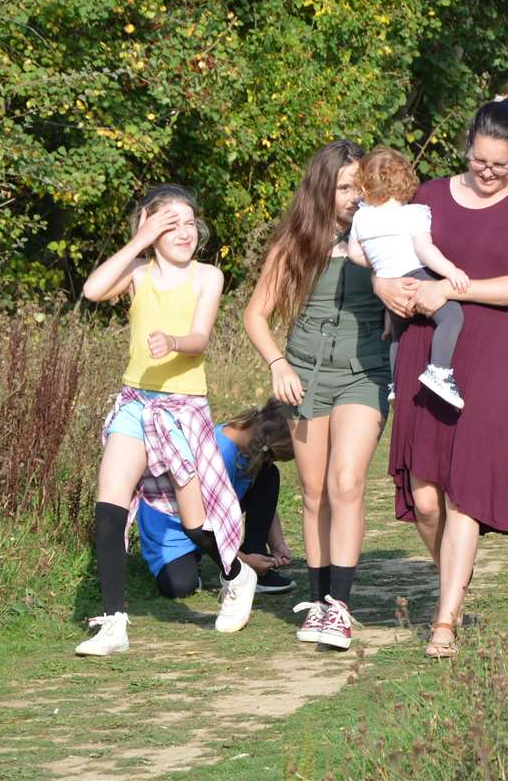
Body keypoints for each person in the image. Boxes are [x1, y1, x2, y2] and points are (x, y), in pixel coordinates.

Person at [374, 99, 508, 659]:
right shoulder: (428, 195)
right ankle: (454, 576)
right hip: (424, 348)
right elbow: (385, 250)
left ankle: (445, 618)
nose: (486, 172)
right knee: (426, 499)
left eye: (499, 165)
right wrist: (387, 289)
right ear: (469, 146)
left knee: (465, 494)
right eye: (479, 160)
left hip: (494, 356)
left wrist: (450, 289)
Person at [77, 185, 249, 657]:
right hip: (135, 404)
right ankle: (114, 624)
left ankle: (237, 575)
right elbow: (92, 290)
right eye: (169, 223)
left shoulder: (207, 276)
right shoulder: (136, 273)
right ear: (149, 228)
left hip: (182, 408)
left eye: (190, 222)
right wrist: (138, 241)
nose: (184, 231)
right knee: (108, 509)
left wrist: (172, 342)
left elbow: (199, 338)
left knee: (194, 521)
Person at [243, 140, 389, 651]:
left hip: (364, 372)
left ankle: (339, 608)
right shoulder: (295, 243)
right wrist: (278, 364)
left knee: (346, 482)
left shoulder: (381, 235)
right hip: (305, 376)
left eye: (359, 186)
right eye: (343, 187)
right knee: (313, 491)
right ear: (322, 190)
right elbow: (256, 314)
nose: (352, 196)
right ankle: (320, 594)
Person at [348, 148, 470, 409]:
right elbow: (426, 251)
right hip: (415, 277)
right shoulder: (412, 214)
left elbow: (355, 254)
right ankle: (439, 370)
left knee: (396, 336)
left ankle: (394, 383)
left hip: (387, 282)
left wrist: (380, 261)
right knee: (452, 317)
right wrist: (451, 272)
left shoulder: (361, 217)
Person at [138, 399, 297, 600]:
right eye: (271, 457)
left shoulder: (246, 442)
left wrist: (277, 543)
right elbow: (198, 527)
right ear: (266, 447)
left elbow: (259, 493)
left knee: (268, 474)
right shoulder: (220, 456)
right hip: (177, 530)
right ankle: (240, 568)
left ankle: (256, 559)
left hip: (206, 521)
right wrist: (243, 562)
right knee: (178, 586)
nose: (268, 461)